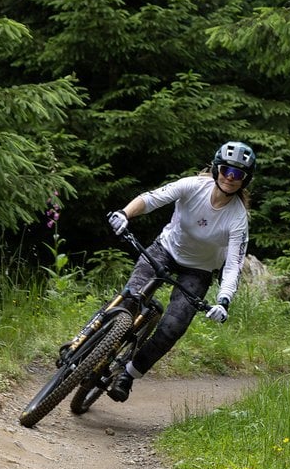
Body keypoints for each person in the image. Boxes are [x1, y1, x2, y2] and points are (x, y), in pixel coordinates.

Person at [104, 140, 254, 402]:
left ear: (244, 180)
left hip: (198, 270)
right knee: (131, 298)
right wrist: (125, 214)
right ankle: (92, 339)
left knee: (172, 327)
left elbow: (233, 264)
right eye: (226, 171)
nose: (230, 178)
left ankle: (128, 374)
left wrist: (224, 301)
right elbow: (151, 199)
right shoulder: (193, 186)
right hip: (165, 249)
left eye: (238, 174)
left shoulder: (238, 218)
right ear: (217, 169)